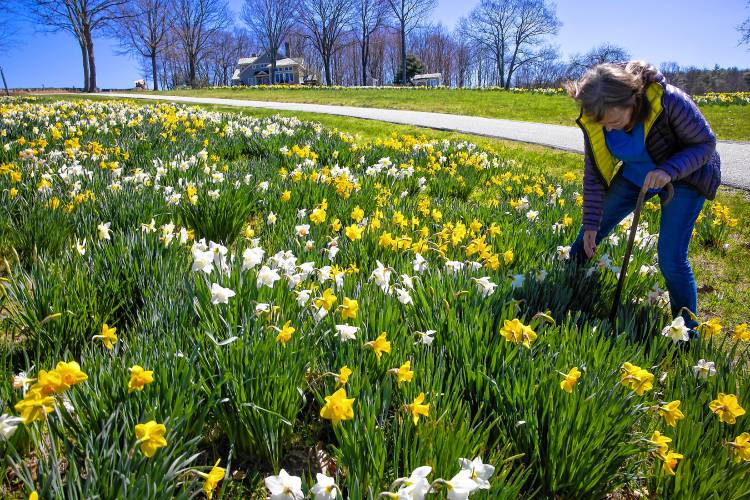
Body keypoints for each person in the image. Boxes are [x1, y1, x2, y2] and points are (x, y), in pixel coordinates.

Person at [565, 60, 721, 334]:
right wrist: (591, 224)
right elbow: (594, 176)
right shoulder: (599, 118)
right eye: (604, 124)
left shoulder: (669, 101)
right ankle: (566, 287)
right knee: (592, 229)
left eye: (614, 122)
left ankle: (686, 333)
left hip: (685, 176)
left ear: (633, 99)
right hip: (637, 174)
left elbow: (706, 144)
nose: (609, 130)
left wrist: (669, 170)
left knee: (671, 258)